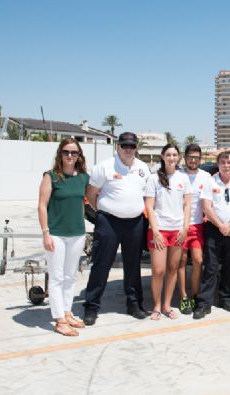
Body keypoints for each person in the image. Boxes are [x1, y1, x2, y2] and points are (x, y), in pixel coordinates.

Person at [83, 132, 151, 325]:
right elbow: (91, 193)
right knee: (101, 264)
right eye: (124, 146)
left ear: (136, 148)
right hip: (109, 222)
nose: (128, 150)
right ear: (117, 147)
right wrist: (103, 212)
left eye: (132, 146)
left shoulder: (143, 168)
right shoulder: (103, 167)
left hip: (135, 223)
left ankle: (134, 304)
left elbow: (146, 195)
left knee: (133, 265)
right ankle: (91, 306)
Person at [37, 138, 90, 336]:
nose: (70, 156)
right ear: (60, 154)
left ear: (79, 156)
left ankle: (67, 312)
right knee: (57, 277)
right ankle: (59, 319)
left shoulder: (83, 177)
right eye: (66, 152)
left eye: (74, 153)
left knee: (70, 276)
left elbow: (95, 196)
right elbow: (42, 206)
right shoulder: (50, 177)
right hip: (56, 234)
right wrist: (45, 233)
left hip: (77, 234)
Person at [194, 151, 230, 319]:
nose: (226, 165)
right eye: (223, 162)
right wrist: (221, 225)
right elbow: (207, 207)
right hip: (213, 229)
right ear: (218, 164)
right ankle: (204, 303)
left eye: (229, 162)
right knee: (210, 267)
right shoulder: (210, 182)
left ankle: (225, 298)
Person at [144, 144, 191, 320]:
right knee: (158, 270)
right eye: (168, 155)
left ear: (178, 157)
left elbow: (187, 205)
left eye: (174, 155)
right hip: (159, 230)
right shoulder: (153, 178)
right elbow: (149, 205)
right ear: (162, 157)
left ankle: (166, 305)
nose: (171, 158)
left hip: (178, 231)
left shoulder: (183, 178)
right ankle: (156, 306)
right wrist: (155, 231)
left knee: (173, 269)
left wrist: (185, 228)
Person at [177, 144, 212, 314]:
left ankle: (196, 294)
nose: (193, 160)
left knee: (198, 260)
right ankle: (184, 297)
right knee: (181, 261)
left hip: (197, 226)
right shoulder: (178, 174)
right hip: (180, 226)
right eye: (190, 157)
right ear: (185, 158)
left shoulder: (206, 177)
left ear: (200, 159)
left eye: (196, 158)